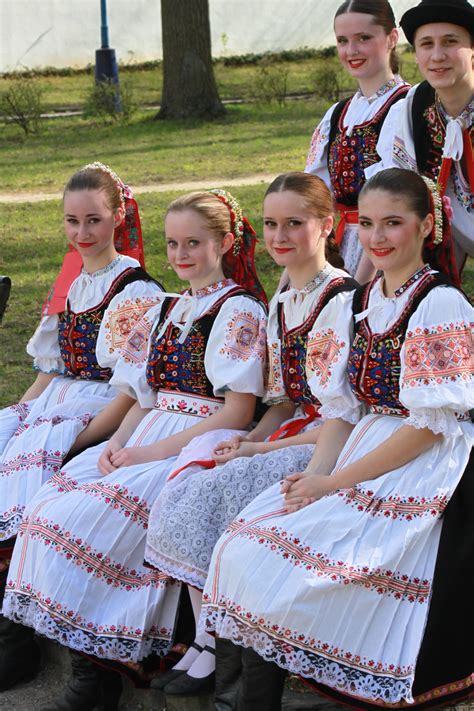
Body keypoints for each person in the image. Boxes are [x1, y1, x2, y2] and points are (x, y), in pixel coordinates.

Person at [200, 168, 473, 710]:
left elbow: (428, 425)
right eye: (368, 223)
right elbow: (341, 411)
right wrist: (317, 478)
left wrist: (338, 482)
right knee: (246, 542)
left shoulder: (441, 304)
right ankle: (260, 697)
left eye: (394, 223)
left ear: (426, 226)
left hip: (427, 462)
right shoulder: (360, 303)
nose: (378, 238)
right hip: (364, 447)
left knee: (303, 562)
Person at [2, 189, 268, 709]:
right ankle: (77, 654)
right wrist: (117, 443)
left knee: (75, 522)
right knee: (43, 507)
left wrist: (146, 454)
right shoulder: (168, 308)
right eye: (173, 243)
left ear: (226, 243)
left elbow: (236, 411)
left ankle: (100, 670)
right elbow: (142, 395)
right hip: (145, 435)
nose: (182, 254)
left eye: (195, 242)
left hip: (194, 440)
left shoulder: (238, 309)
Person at [143, 172, 357, 696]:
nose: (280, 236)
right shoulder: (284, 301)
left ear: (327, 226)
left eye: (294, 223)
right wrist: (244, 441)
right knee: (195, 478)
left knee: (214, 492)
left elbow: (341, 412)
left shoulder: (342, 297)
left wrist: (261, 447)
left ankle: (228, 649)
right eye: (270, 224)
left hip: (332, 438)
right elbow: (281, 399)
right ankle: (207, 637)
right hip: (289, 428)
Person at [0, 162, 162, 690]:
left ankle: (22, 645)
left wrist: (77, 438)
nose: (82, 233)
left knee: (25, 485)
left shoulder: (134, 288)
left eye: (93, 220)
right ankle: (11, 634)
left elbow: (129, 390)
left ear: (118, 216)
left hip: (97, 410)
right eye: (72, 221)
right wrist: (19, 419)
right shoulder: (74, 280)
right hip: (57, 400)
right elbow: (49, 371)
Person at [305, 0, 410, 282]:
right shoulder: (337, 114)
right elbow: (312, 198)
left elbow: (392, 204)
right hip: (341, 245)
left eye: (363, 38)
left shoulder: (405, 107)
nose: (351, 51)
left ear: (391, 38)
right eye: (343, 41)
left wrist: (358, 290)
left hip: (388, 251)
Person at [376, 0, 473, 283]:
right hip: (443, 234)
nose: (437, 55)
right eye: (427, 44)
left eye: (450, 41)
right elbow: (397, 188)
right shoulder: (410, 109)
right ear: (416, 54)